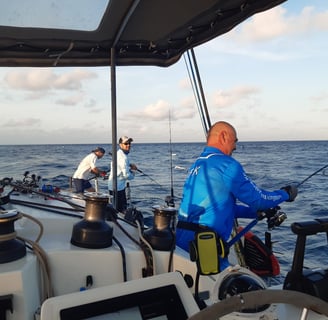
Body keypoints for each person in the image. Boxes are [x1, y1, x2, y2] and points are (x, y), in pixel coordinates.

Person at [176, 121, 298, 270]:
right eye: (235, 141)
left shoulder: (198, 164)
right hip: (205, 246)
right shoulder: (226, 164)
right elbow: (259, 199)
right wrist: (285, 194)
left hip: (182, 242)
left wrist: (255, 213)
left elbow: (223, 207)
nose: (235, 147)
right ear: (223, 136)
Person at [108, 136, 138, 212]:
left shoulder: (119, 154)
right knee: (120, 211)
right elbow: (126, 175)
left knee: (116, 208)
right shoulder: (123, 157)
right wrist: (133, 171)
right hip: (117, 188)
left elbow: (121, 167)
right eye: (126, 143)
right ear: (120, 145)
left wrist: (129, 165)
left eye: (129, 143)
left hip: (115, 186)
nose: (128, 145)